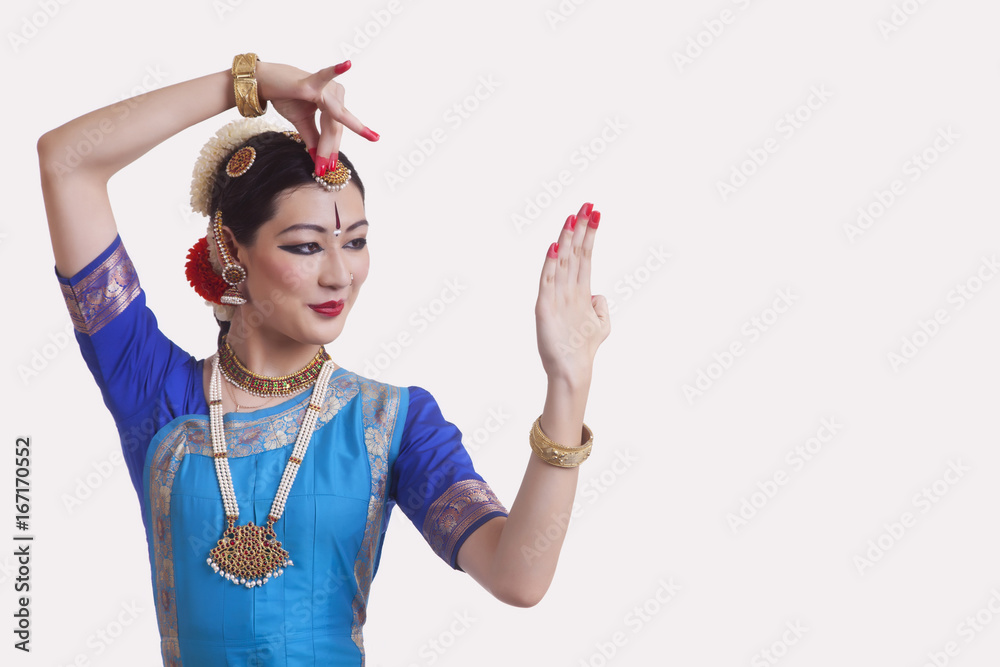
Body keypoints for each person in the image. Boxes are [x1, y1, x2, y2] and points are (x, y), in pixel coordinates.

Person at [37, 55, 611, 666]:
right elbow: (66, 163)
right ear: (232, 247)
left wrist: (568, 385)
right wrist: (251, 84)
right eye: (307, 246)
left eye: (356, 241)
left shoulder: (391, 423)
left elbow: (516, 576)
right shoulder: (153, 391)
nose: (339, 274)